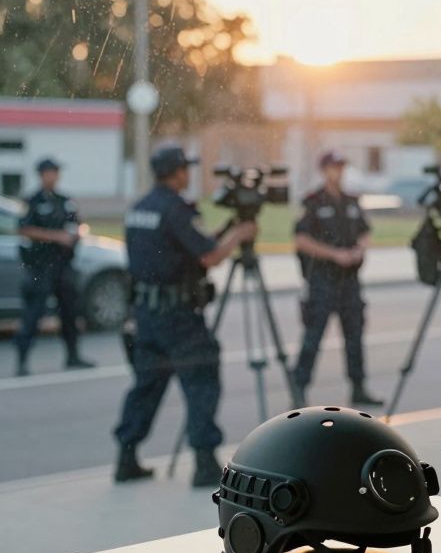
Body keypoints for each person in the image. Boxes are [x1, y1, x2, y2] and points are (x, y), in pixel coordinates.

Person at [111, 144, 257, 487]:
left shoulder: (140, 209)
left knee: (146, 386)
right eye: (185, 169)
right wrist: (240, 234)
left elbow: (185, 246)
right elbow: (208, 257)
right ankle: (205, 465)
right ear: (176, 172)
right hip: (178, 315)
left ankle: (126, 459)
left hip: (146, 313)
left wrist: (223, 229)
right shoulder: (177, 209)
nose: (188, 174)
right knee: (201, 381)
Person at [290, 150, 382, 408]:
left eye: (341, 167)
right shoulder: (313, 202)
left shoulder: (351, 201)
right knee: (313, 337)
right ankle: (299, 386)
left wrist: (359, 250)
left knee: (354, 337)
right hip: (322, 280)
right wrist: (334, 255)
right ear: (323, 170)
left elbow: (364, 231)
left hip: (349, 281)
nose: (338, 171)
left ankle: (358, 387)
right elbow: (301, 240)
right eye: (333, 167)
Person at [14, 158, 94, 376]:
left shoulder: (64, 200)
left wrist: (75, 234)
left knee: (69, 311)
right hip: (40, 266)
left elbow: (77, 224)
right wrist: (55, 236)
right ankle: (22, 360)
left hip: (62, 265)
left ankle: (73, 356)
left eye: (56, 172)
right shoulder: (32, 201)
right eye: (50, 172)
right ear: (42, 175)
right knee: (34, 314)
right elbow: (24, 229)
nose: (53, 176)